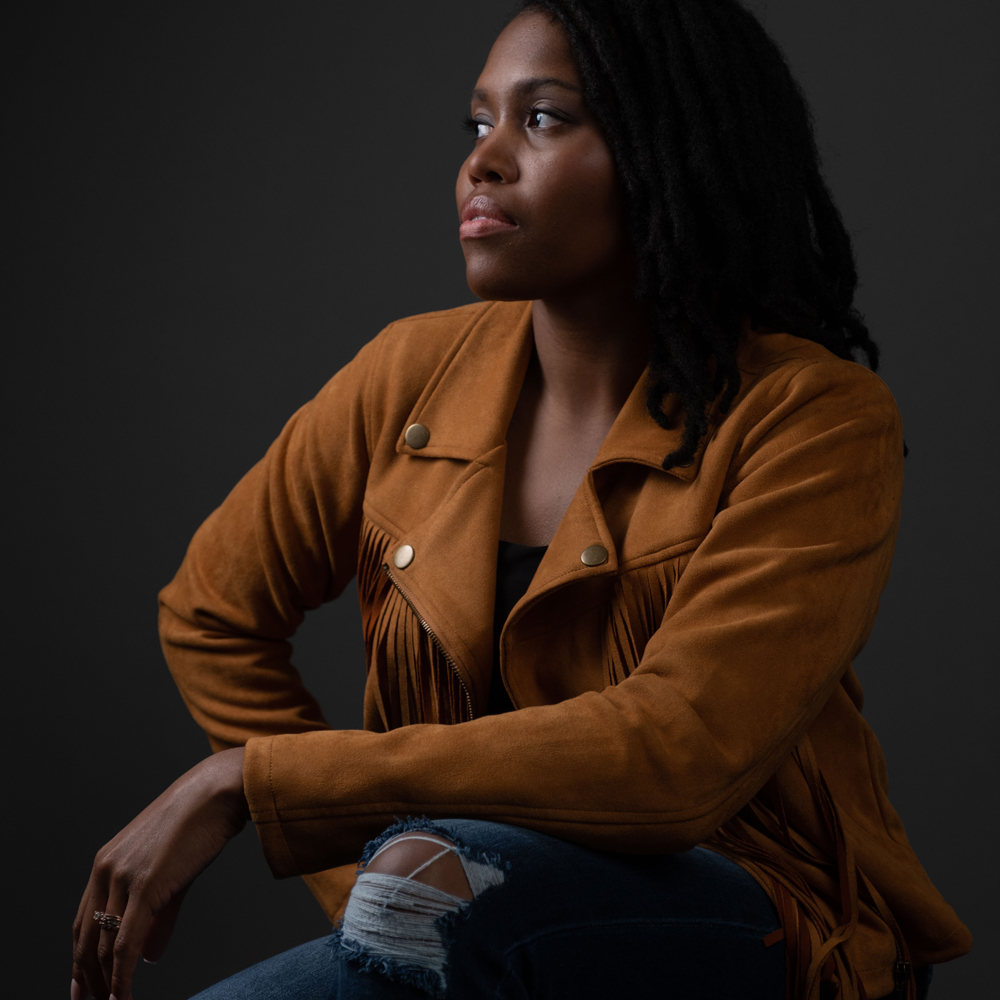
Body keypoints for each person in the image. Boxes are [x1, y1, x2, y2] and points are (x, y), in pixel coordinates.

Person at [71, 2, 971, 998]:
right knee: (428, 888)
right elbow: (212, 611)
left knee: (439, 884)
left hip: (748, 912)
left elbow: (676, 752)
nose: (483, 161)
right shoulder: (407, 373)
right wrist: (365, 887)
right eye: (478, 122)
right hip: (455, 896)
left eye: (541, 119)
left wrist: (260, 781)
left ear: (670, 150)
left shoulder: (813, 418)